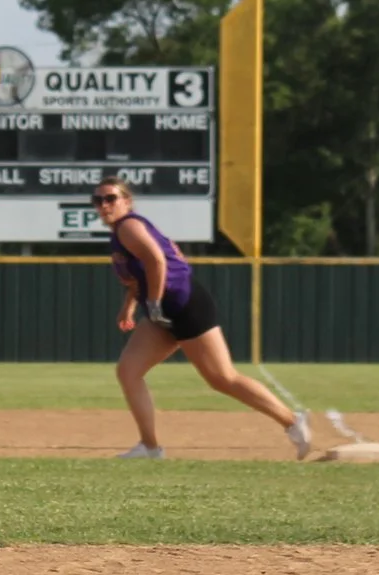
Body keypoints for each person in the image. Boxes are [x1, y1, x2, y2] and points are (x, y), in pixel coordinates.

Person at [96, 178, 310, 461]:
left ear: (127, 201)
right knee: (128, 371)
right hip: (162, 309)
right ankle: (150, 447)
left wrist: (154, 302)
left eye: (111, 198)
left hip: (184, 305)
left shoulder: (129, 226)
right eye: (98, 201)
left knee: (222, 377)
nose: (104, 205)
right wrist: (129, 307)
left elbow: (157, 261)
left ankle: (292, 422)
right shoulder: (120, 234)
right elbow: (140, 276)